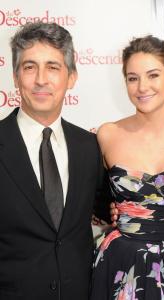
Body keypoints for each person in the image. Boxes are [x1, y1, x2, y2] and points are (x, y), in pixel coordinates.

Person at [90, 35, 164, 299]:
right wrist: (109, 210)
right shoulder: (107, 135)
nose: (142, 86)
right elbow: (93, 197)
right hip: (120, 265)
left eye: (153, 75)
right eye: (132, 78)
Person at [0, 22, 105, 300]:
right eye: (30, 67)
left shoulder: (91, 147)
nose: (41, 80)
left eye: (53, 67)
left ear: (71, 77)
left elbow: (107, 210)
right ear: (15, 76)